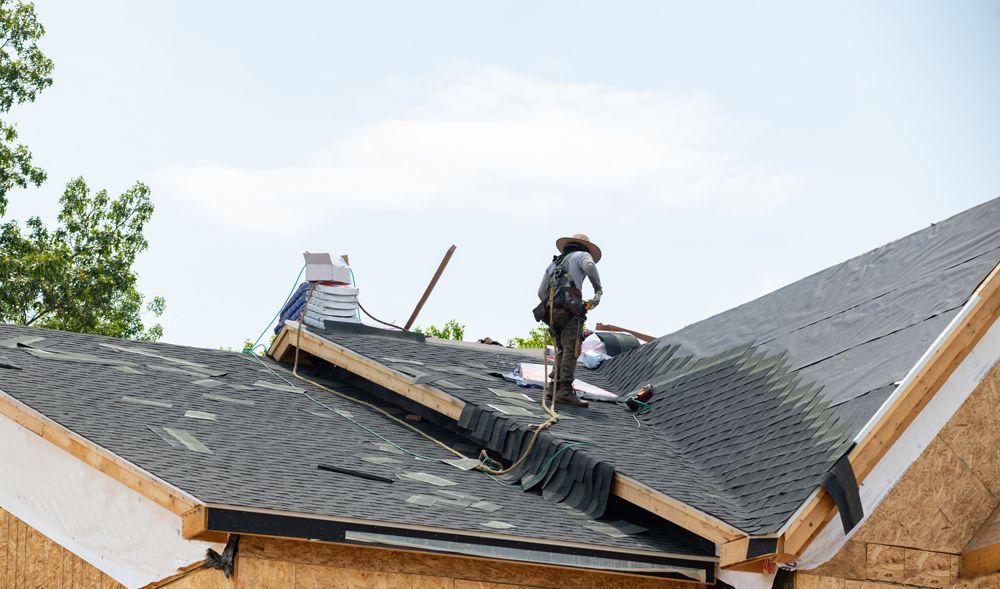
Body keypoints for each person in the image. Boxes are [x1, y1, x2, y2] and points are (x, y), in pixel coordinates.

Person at [534, 233, 603, 408]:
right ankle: (564, 391)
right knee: (571, 349)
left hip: (551, 312)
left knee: (561, 349)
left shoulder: (553, 264)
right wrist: (598, 289)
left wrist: (553, 306)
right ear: (585, 247)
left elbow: (541, 292)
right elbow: (589, 266)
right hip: (570, 309)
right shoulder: (582, 255)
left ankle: (552, 387)